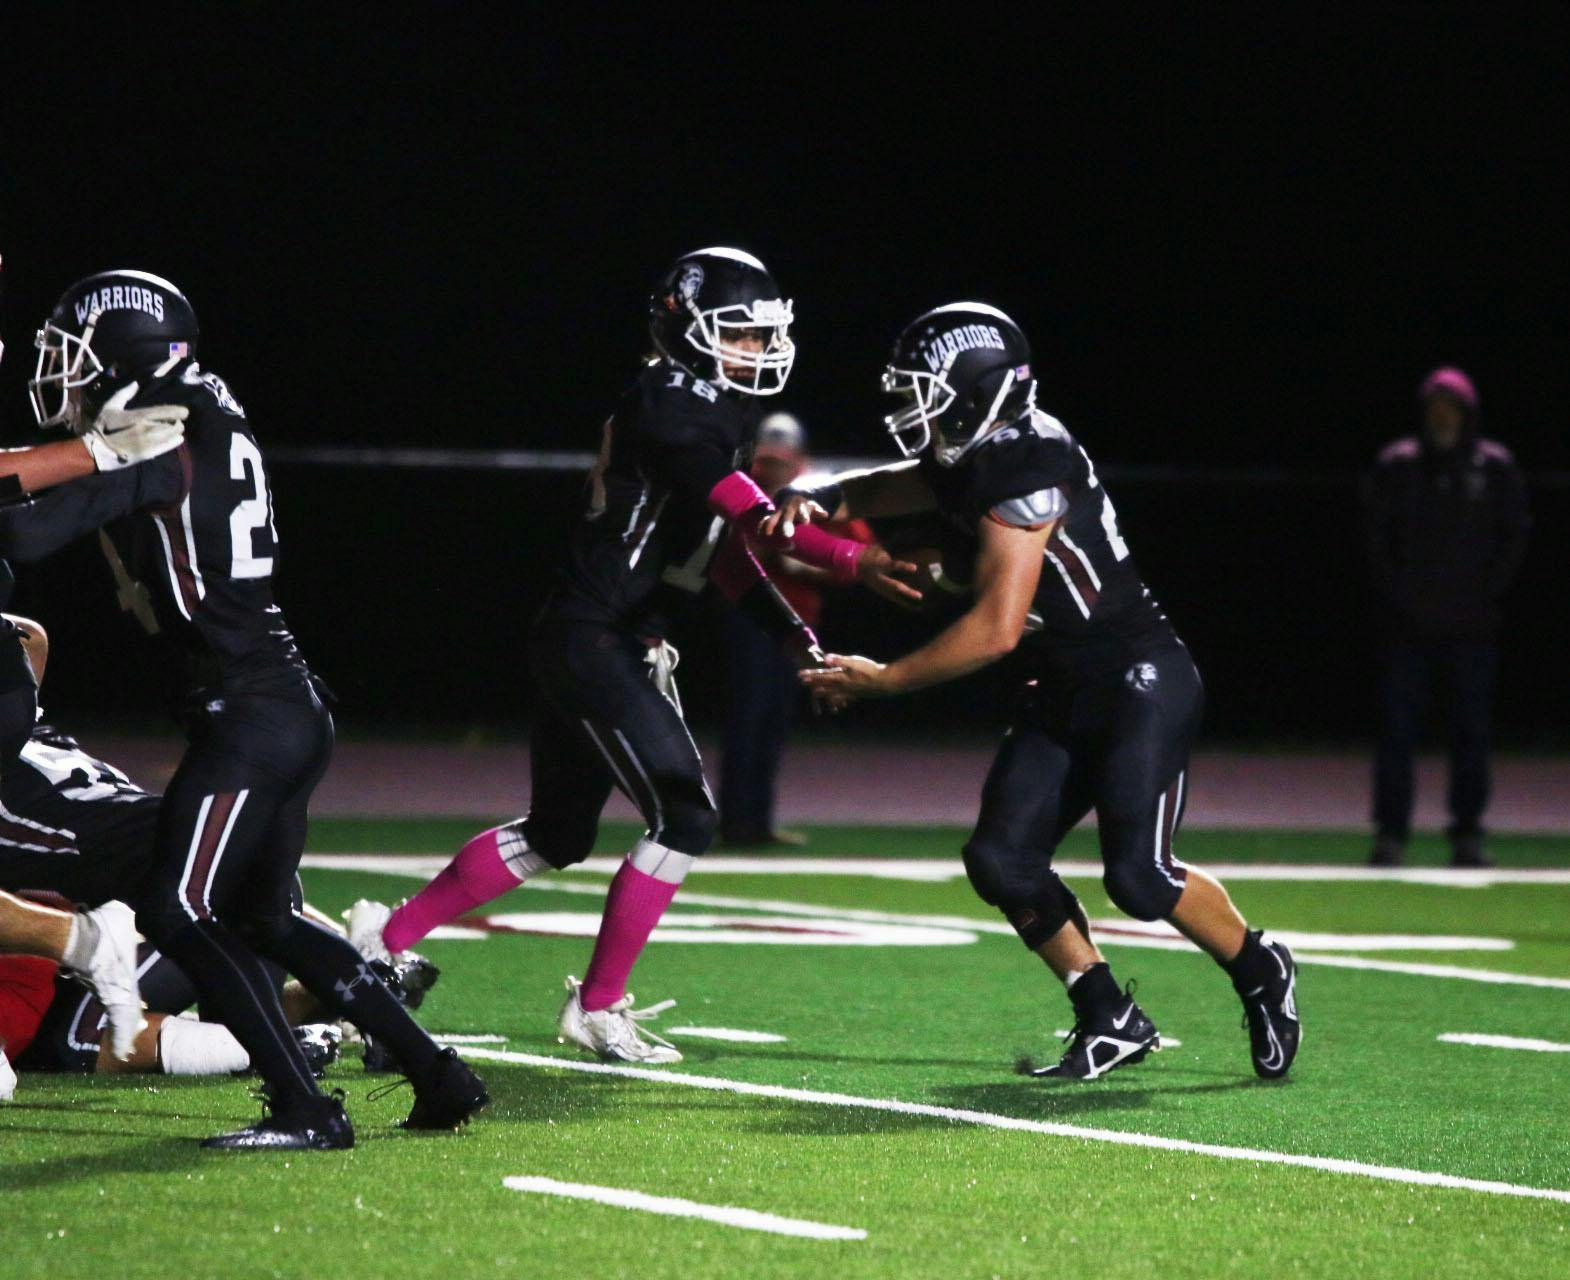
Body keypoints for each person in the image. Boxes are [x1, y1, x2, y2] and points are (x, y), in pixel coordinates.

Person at [350, 247, 916, 1064]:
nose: (756, 350)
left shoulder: (703, 407)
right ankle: (597, 1005)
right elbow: (754, 521)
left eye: (762, 336)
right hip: (598, 638)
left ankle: (385, 940)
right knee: (685, 815)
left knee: (557, 833)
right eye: (740, 333)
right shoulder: (671, 399)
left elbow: (723, 556)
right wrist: (856, 559)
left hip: (591, 636)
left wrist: (794, 635)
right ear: (686, 327)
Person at [0, 270, 486, 1148]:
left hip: (249, 716)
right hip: (274, 704)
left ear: (126, 356)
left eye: (76, 356)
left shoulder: (160, 435)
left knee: (177, 911)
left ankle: (305, 1108)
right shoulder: (196, 406)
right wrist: (93, 452)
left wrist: (91, 456)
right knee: (266, 917)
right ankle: (440, 1077)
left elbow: (22, 532)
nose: (63, 376)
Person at [779, 302, 1300, 1081]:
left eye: (926, 391)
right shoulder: (976, 449)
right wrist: (823, 495)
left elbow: (995, 628)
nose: (912, 408)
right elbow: (900, 484)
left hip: (1136, 679)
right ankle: (1108, 1014)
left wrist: (885, 680)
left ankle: (1261, 968)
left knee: (1140, 878)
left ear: (979, 390)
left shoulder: (1030, 461)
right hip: (1060, 682)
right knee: (1002, 860)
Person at [1363, 367, 1530, 867]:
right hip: (1407, 628)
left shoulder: (1493, 467)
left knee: (1472, 733)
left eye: (1451, 406)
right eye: (1435, 405)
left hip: (1471, 628)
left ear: (1466, 413)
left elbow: (1513, 539)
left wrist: (1482, 596)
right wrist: (1401, 597)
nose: (1442, 415)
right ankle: (1391, 834)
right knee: (1396, 733)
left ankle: (1468, 834)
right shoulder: (1398, 465)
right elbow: (1376, 539)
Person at [719, 412, 874, 847]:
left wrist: (799, 563)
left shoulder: (815, 489)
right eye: (767, 461)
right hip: (750, 616)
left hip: (799, 620)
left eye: (782, 462)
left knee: (774, 719)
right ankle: (736, 822)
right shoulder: (741, 485)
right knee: (748, 717)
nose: (773, 471)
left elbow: (861, 554)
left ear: (799, 461)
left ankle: (756, 821)